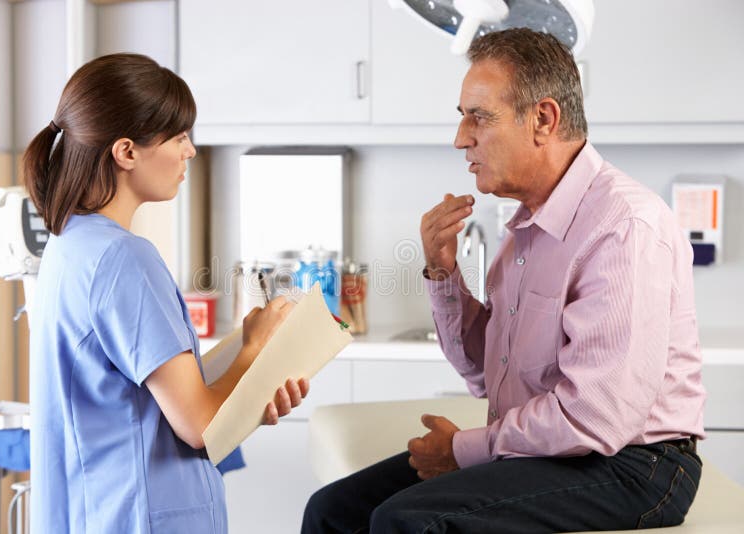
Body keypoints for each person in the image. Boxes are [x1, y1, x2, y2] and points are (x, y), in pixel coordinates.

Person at [302, 28, 705, 533]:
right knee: (331, 512)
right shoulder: (524, 230)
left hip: (634, 466)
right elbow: (481, 371)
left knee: (406, 520)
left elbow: (596, 416)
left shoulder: (625, 227)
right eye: (461, 116)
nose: (460, 138)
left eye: (479, 117)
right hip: (553, 453)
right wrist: (443, 270)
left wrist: (464, 450)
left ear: (543, 119)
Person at [24, 53, 308, 533]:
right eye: (178, 137)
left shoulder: (68, 245)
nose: (190, 151)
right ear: (126, 152)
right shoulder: (125, 260)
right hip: (144, 516)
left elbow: (141, 397)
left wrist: (246, 376)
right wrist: (255, 349)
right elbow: (198, 425)